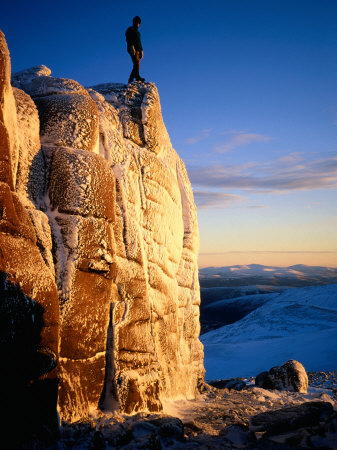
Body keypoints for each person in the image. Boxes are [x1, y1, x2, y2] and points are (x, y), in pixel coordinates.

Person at [125, 16, 145, 83]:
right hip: (133, 49)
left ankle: (137, 77)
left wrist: (141, 50)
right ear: (134, 22)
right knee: (136, 64)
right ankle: (131, 79)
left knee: (137, 64)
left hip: (138, 50)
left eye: (139, 23)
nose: (138, 24)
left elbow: (139, 42)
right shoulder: (130, 29)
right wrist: (131, 46)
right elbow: (128, 39)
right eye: (136, 22)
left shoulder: (138, 32)